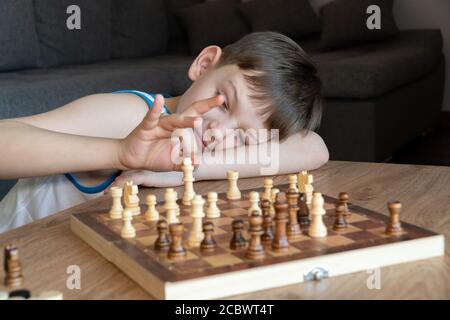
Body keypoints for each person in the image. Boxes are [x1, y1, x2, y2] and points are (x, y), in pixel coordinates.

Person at [0, 32, 328, 232]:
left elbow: (313, 147)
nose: (218, 132)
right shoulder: (129, 115)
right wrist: (119, 153)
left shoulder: (209, 146)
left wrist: (192, 169)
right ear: (204, 64)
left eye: (244, 137)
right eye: (225, 103)